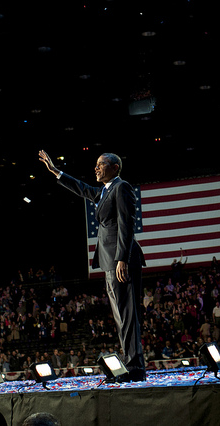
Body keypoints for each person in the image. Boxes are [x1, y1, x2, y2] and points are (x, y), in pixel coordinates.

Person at [39, 150, 146, 381]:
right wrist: (57, 172)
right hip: (111, 261)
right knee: (120, 316)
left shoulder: (121, 187)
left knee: (128, 315)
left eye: (101, 164)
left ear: (115, 167)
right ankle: (130, 365)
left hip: (121, 261)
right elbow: (82, 189)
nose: (96, 168)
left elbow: (127, 225)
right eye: (96, 165)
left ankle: (135, 368)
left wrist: (122, 259)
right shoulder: (106, 191)